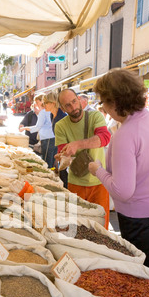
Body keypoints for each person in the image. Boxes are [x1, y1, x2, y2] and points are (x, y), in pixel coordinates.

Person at [88, 68, 149, 269]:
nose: (104, 109)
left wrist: (97, 169)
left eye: (104, 103)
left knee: (139, 270)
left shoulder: (125, 134)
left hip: (140, 216)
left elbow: (123, 192)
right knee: (148, 261)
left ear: (114, 102)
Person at [55, 88, 111, 229]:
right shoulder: (60, 126)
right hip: (76, 182)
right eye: (68, 105)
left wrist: (77, 144)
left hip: (99, 181)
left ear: (79, 99)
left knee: (100, 228)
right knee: (78, 227)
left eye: (74, 101)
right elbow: (62, 152)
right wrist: (62, 157)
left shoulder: (95, 116)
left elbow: (104, 138)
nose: (73, 107)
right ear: (62, 108)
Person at [22, 94, 55, 168]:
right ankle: (53, 174)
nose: (36, 104)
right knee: (52, 160)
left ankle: (48, 176)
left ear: (42, 101)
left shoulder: (43, 112)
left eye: (37, 102)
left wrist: (25, 128)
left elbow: (38, 127)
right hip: (53, 137)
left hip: (47, 138)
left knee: (47, 161)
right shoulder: (50, 111)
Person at [43, 91, 67, 186]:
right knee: (61, 177)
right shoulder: (51, 115)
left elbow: (65, 139)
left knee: (65, 179)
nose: (44, 105)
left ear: (53, 103)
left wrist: (60, 156)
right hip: (60, 150)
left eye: (46, 102)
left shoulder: (62, 117)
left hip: (66, 152)